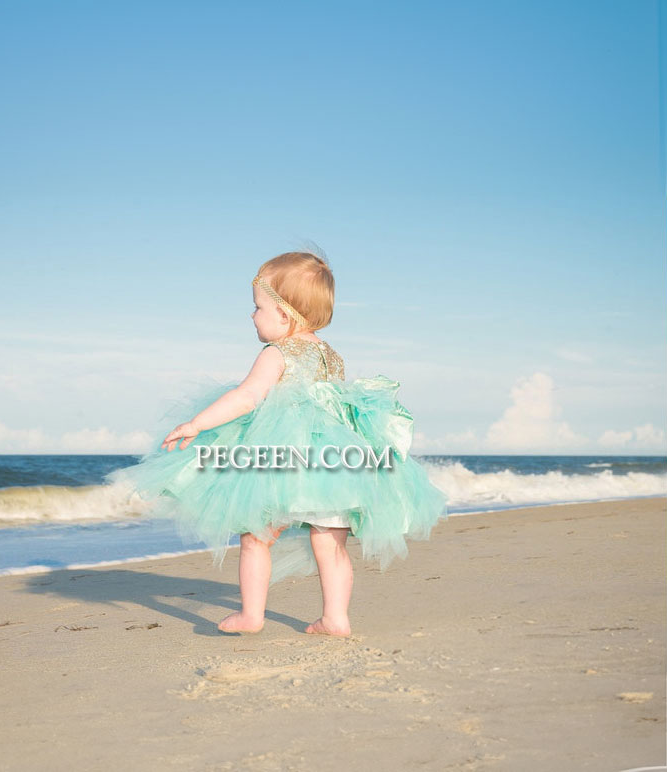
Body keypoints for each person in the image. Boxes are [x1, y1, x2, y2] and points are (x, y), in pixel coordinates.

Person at [106, 250, 448, 637]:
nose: (252, 316)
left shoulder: (277, 352)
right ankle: (336, 618)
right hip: (337, 463)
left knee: (256, 534)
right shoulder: (331, 355)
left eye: (257, 307)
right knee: (331, 543)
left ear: (284, 315)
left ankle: (252, 615)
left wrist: (197, 423)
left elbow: (247, 396)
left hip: (280, 458)